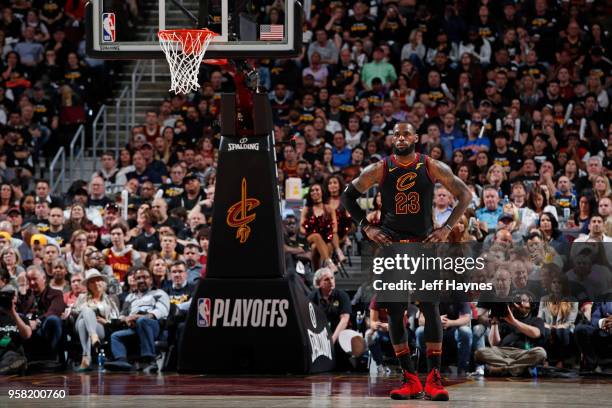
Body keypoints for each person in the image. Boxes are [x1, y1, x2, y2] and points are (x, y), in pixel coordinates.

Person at [341, 122, 471, 400]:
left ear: (415, 138)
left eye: (406, 134)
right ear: (392, 139)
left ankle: (434, 379)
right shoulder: (380, 168)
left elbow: (465, 195)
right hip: (391, 248)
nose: (401, 138)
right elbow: (347, 196)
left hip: (423, 245)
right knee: (396, 312)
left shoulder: (431, 165)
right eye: (396, 134)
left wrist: (446, 228)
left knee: (430, 308)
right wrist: (367, 226)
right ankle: (410, 378)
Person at [105, 266, 169, 374]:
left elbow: (161, 312)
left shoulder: (159, 293)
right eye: (138, 278)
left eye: (145, 277)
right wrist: (126, 319)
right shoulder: (130, 297)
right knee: (116, 336)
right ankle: (122, 361)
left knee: (142, 321)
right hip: (134, 327)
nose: (141, 280)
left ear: (151, 280)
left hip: (153, 326)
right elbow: (122, 314)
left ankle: (149, 360)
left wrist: (140, 317)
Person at [475, 292, 547, 377]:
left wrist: (514, 321)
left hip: (523, 353)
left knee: (541, 352)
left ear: (531, 305)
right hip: (501, 352)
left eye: (524, 301)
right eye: (518, 301)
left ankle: (503, 368)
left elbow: (536, 333)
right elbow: (494, 344)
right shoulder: (504, 319)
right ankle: (516, 368)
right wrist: (494, 322)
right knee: (480, 352)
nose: (519, 304)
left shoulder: (536, 320)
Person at [72, 269, 120, 371]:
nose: (96, 283)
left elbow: (116, 318)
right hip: (81, 322)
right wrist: (88, 314)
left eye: (98, 280)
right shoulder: (81, 297)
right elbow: (75, 312)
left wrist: (106, 321)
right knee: (86, 310)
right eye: (93, 281)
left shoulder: (110, 300)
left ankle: (86, 357)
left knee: (83, 324)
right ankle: (93, 335)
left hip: (101, 328)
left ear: (103, 283)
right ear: (88, 285)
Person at [0, 285, 31, 375]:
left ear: (16, 299)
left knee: (16, 358)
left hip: (12, 354)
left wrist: (13, 313)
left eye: (11, 297)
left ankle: (6, 369)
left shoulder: (21, 317)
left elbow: (27, 335)